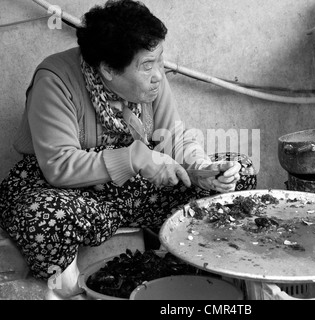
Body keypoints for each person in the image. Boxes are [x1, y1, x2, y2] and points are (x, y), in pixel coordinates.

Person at [0, 0, 257, 299]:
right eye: (147, 65)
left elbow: (171, 136)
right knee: (40, 214)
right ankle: (71, 290)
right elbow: (58, 165)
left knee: (240, 171)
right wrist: (135, 158)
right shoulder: (55, 80)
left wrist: (201, 169)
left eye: (159, 60)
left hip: (134, 191)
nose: (159, 74)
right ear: (108, 69)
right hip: (71, 192)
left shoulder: (152, 84)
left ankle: (182, 271)